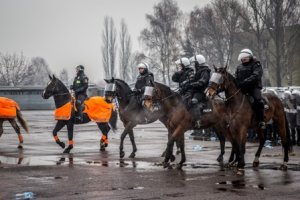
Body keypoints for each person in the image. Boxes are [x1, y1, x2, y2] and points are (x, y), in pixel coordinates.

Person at [235, 48, 265, 129]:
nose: (243, 59)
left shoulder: (256, 64)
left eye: (245, 58)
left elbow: (256, 75)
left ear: (250, 57)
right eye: (242, 58)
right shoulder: (239, 67)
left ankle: (261, 120)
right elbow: (236, 77)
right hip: (243, 88)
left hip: (254, 87)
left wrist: (245, 81)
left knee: (258, 100)